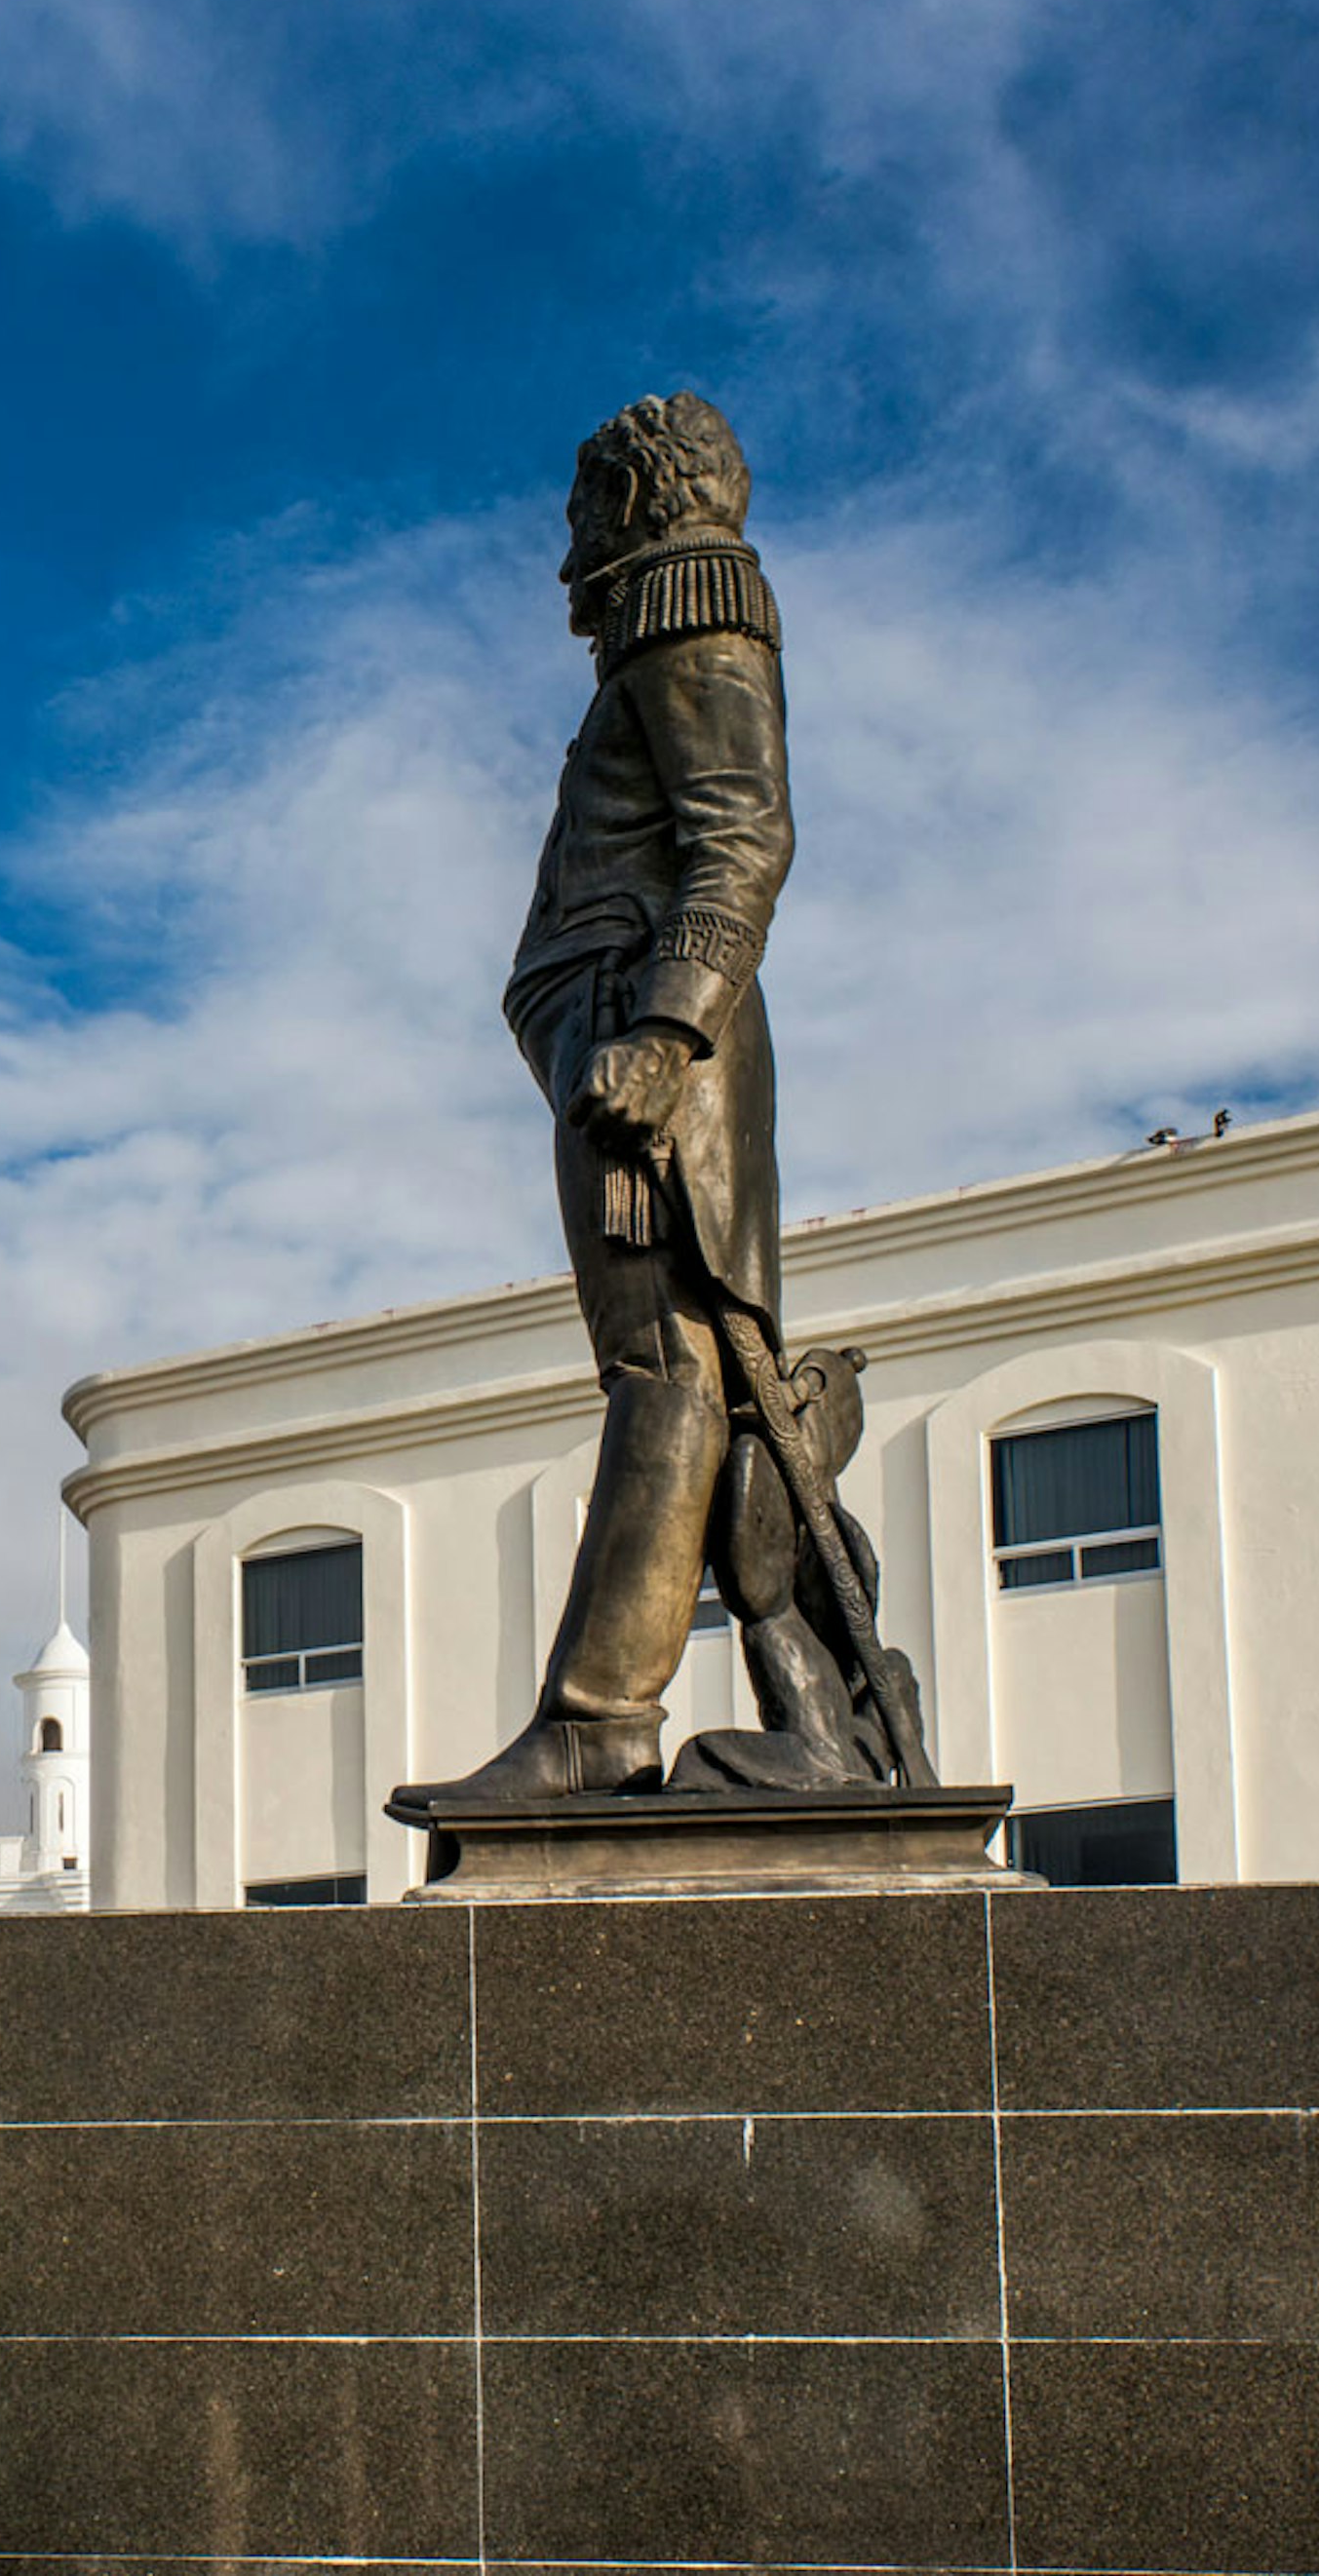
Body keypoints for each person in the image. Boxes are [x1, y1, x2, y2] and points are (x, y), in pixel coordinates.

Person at [396, 390, 925, 1810]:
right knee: (686, 1378)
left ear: (632, 503)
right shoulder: (654, 652)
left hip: (647, 1066)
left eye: (581, 510)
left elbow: (744, 835)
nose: (566, 549)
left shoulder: (694, 623)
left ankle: (599, 1718)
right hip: (617, 1049)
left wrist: (665, 1031)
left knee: (671, 1376)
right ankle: (750, 1716)